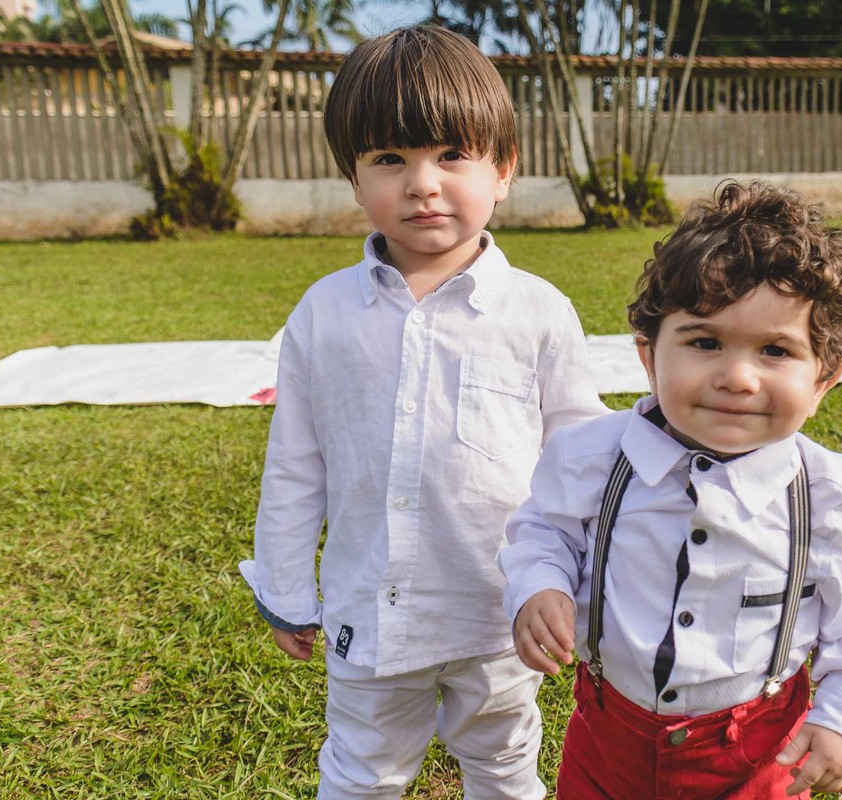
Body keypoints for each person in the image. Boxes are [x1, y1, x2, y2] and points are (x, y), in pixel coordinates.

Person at [238, 25, 608, 800]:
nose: (422, 184)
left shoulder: (537, 311)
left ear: (503, 169)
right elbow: (296, 460)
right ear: (353, 178)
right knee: (361, 774)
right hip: (371, 613)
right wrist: (284, 587)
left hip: (501, 616)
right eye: (389, 160)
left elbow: (581, 455)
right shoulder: (324, 314)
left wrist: (575, 585)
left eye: (450, 156)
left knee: (505, 768)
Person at [500, 181, 842, 799]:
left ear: (824, 379)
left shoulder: (833, 497)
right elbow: (542, 530)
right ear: (649, 357)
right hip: (609, 743)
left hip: (758, 754)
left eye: (776, 350)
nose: (737, 377)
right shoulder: (590, 457)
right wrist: (541, 584)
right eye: (704, 342)